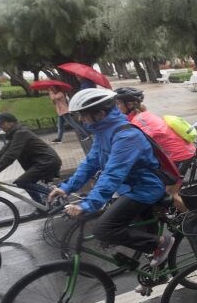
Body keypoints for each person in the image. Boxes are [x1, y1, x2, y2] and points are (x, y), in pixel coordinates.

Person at [48, 88, 174, 277]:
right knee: (141, 235)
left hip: (144, 189)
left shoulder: (126, 137)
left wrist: (88, 204)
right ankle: (156, 274)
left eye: (83, 115)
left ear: (99, 114)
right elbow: (91, 162)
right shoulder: (104, 132)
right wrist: (66, 187)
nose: (81, 120)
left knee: (104, 229)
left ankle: (162, 243)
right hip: (129, 188)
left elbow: (112, 174)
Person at [0, 113, 62, 209]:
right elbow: (4, 150)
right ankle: (41, 207)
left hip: (47, 162)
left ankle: (56, 194)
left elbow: (12, 154)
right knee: (25, 182)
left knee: (23, 182)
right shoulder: (15, 133)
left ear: (11, 123)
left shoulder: (21, 133)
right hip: (42, 162)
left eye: (1, 124)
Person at [113, 87, 195, 172]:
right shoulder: (140, 115)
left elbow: (138, 145)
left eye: (118, 104)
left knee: (162, 183)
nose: (116, 107)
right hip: (176, 151)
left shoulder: (139, 121)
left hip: (178, 155)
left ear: (129, 105)